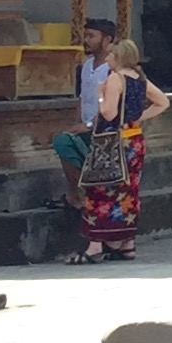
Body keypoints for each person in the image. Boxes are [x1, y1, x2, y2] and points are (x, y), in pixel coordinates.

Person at [71, 36, 167, 264]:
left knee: (101, 189)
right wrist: (139, 117)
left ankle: (95, 245)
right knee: (128, 191)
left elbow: (109, 113)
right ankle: (127, 243)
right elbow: (163, 102)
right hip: (135, 139)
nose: (108, 59)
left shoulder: (115, 79)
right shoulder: (140, 78)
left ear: (120, 57)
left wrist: (101, 94)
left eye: (112, 55)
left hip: (114, 142)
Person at [53, 19, 116, 211]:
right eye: (86, 35)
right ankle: (76, 194)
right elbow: (83, 98)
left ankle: (89, 196)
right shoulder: (87, 65)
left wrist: (90, 125)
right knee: (63, 143)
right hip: (85, 126)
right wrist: (78, 123)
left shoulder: (113, 68)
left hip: (105, 130)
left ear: (106, 39)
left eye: (92, 36)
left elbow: (112, 104)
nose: (86, 40)